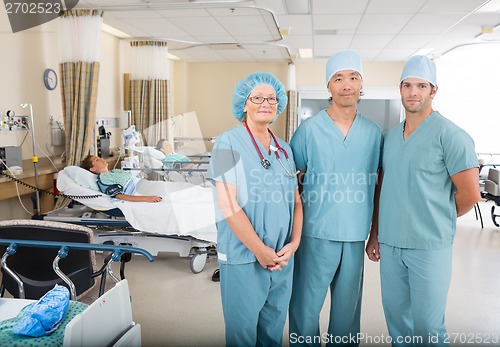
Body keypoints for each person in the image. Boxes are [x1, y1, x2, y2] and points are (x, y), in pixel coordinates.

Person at [365, 55, 481, 345]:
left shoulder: (452, 136)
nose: (413, 92)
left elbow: (470, 194)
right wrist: (375, 233)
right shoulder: (389, 137)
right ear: (400, 89)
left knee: (429, 327)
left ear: (433, 91)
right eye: (407, 85)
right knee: (396, 323)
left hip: (429, 247)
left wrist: (436, 217)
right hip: (390, 245)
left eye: (421, 85)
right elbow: (382, 188)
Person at [288, 50, 382, 346]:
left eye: (353, 78)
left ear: (360, 84)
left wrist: (375, 233)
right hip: (315, 233)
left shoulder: (374, 133)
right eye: (338, 78)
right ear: (328, 86)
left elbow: (379, 186)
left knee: (347, 315)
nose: (346, 84)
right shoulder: (307, 131)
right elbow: (293, 186)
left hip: (355, 234)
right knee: (304, 308)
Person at [209, 72, 303, 346]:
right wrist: (261, 251)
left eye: (272, 98)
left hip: (282, 257)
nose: (266, 102)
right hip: (244, 256)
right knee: (242, 336)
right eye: (258, 97)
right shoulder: (227, 143)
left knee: (272, 333)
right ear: (244, 104)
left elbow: (296, 202)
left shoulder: (284, 149)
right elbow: (227, 205)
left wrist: (294, 243)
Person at [80, 155, 163, 203]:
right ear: (92, 169)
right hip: (139, 192)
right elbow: (120, 196)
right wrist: (147, 198)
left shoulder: (114, 171)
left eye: (100, 157)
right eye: (97, 160)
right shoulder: (103, 180)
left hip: (146, 185)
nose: (102, 159)